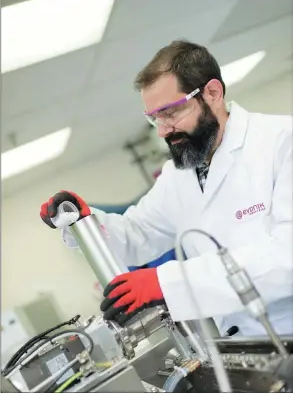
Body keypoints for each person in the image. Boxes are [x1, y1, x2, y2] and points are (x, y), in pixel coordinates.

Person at [40, 40, 293, 337]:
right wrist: (87, 222)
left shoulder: (280, 141)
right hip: (247, 344)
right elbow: (138, 234)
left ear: (212, 93)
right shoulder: (179, 175)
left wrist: (166, 283)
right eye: (154, 118)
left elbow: (286, 256)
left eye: (170, 113)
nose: (162, 131)